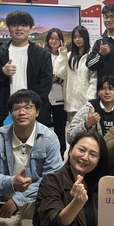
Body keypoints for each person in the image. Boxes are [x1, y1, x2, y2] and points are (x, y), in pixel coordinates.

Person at [0, 89, 62, 226]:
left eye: (28, 107)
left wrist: (17, 200)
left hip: (37, 197)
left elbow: (52, 179)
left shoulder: (49, 139)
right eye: (16, 108)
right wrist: (11, 183)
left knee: (58, 223)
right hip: (3, 196)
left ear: (37, 112)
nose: (22, 112)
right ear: (11, 113)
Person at [0, 10, 53, 130]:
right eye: (14, 25)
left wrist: (29, 106)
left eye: (24, 25)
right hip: (3, 113)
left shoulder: (42, 54)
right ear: (8, 28)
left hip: (33, 112)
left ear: (30, 28)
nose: (19, 29)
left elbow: (45, 84)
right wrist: (1, 72)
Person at [66, 75, 114, 144]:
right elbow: (70, 137)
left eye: (111, 89)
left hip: (113, 150)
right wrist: (86, 125)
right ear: (98, 92)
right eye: (103, 88)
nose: (107, 92)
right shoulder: (88, 110)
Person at [54, 25, 97, 120]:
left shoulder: (91, 57)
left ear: (85, 37)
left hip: (86, 105)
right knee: (72, 128)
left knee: (86, 128)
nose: (77, 39)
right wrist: (62, 54)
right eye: (75, 37)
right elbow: (59, 73)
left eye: (80, 36)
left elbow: (94, 80)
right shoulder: (69, 56)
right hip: (71, 105)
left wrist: (90, 100)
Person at [86, 4, 114, 81]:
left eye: (112, 16)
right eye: (106, 17)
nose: (109, 20)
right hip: (106, 87)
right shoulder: (99, 41)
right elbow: (89, 65)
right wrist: (100, 55)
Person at [45, 28, 67, 157]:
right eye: (51, 38)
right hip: (45, 97)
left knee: (60, 128)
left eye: (57, 39)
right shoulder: (42, 54)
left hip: (60, 97)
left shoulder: (65, 55)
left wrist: (57, 78)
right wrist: (51, 78)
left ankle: (61, 153)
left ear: (61, 41)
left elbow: (67, 74)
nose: (54, 41)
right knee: (44, 127)